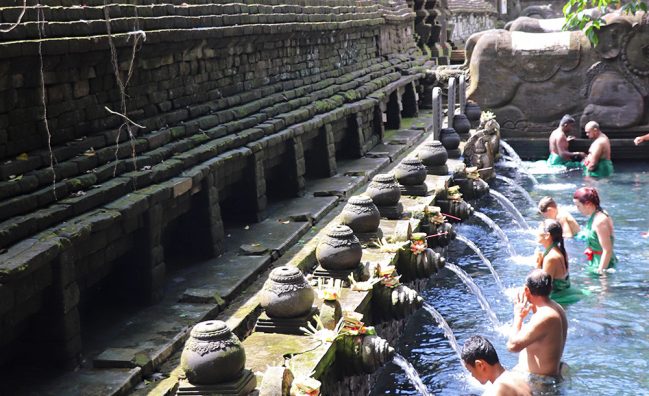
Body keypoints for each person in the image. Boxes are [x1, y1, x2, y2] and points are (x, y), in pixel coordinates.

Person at [507, 270, 568, 382]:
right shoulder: (557, 308)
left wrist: (518, 316)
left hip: (539, 385)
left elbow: (512, 346)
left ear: (526, 290)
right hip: (546, 380)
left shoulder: (545, 316)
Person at [462, 335, 531, 396]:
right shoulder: (520, 380)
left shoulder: (494, 392)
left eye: (470, 371)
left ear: (480, 365)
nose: (472, 375)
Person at [535, 219, 583, 304]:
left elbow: (542, 289)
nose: (536, 232)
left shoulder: (551, 258)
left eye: (539, 229)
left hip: (557, 300)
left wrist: (537, 267)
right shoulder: (560, 251)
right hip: (565, 294)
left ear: (547, 235)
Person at [573, 187, 618, 274]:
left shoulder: (600, 221)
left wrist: (601, 273)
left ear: (588, 204)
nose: (577, 209)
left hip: (602, 263)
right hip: (595, 260)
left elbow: (607, 250)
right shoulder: (596, 215)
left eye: (578, 206)